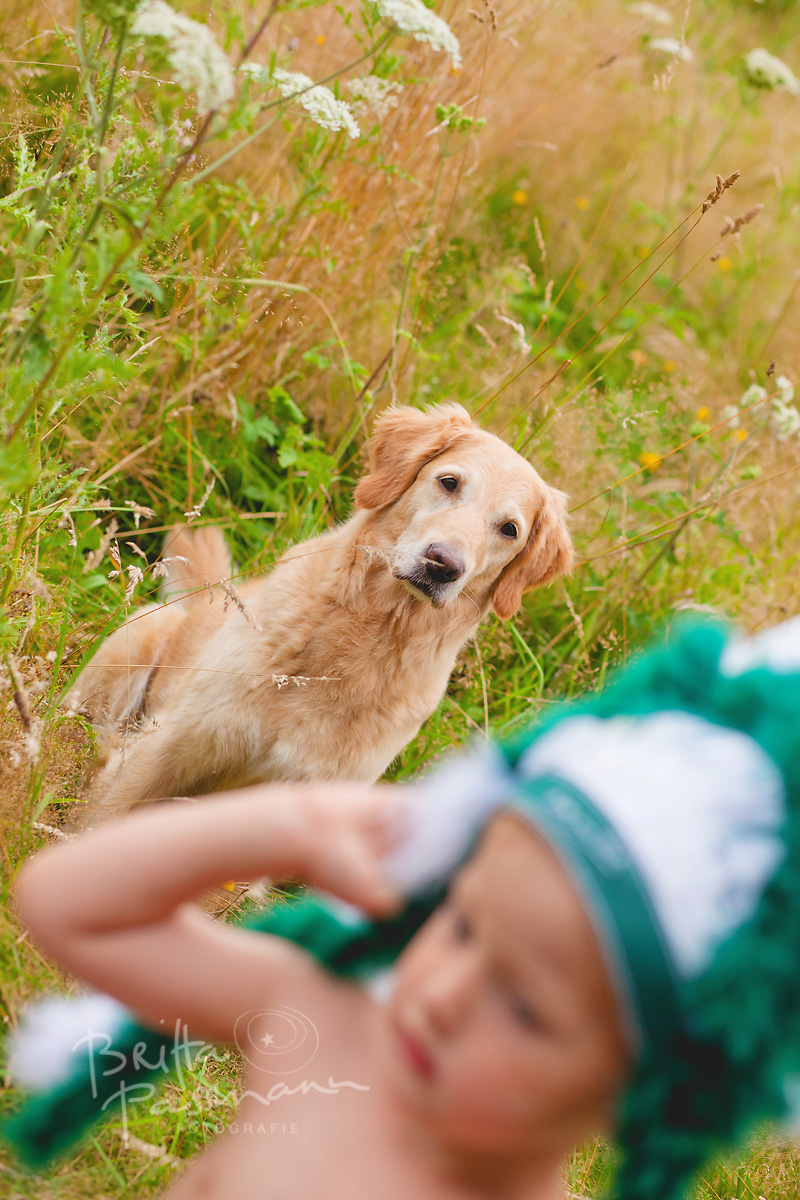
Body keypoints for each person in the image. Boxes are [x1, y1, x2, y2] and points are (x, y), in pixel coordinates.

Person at [8, 616, 800, 1200]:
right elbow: (68, 905)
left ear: (647, 1084)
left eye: (523, 1008)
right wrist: (296, 823)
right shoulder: (328, 1030)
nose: (445, 995)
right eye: (461, 925)